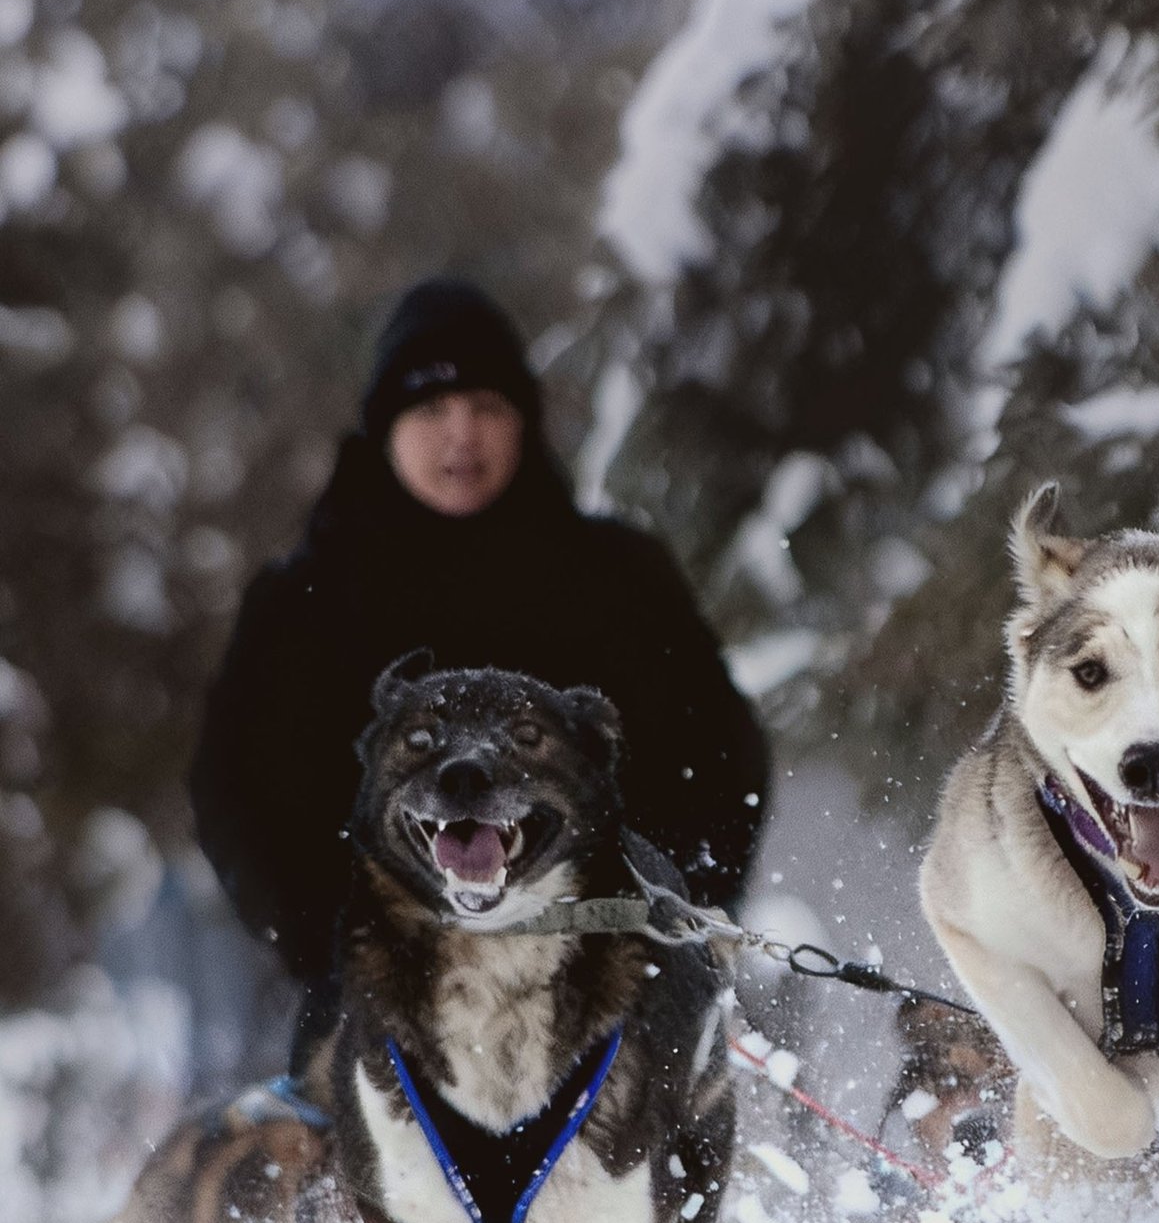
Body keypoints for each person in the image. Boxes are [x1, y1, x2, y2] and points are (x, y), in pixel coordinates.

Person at [191, 278, 769, 1055]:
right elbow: (233, 786)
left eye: (488, 408)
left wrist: (670, 912)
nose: (462, 435)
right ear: (385, 427)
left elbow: (721, 757)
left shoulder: (618, 577)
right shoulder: (304, 598)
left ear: (525, 422)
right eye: (432, 410)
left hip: (606, 988)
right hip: (371, 1000)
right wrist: (322, 940)